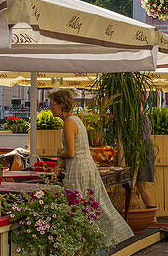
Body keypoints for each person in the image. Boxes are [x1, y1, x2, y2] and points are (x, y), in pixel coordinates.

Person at [49, 88, 133, 247]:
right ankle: (100, 239)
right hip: (86, 166)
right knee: (95, 203)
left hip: (78, 168)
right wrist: (59, 165)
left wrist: (60, 152)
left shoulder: (68, 123)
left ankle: (93, 241)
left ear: (61, 105)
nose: (50, 108)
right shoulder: (77, 120)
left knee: (78, 204)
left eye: (52, 104)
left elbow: (71, 152)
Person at [136, 111, 156, 209]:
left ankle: (152, 214)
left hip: (142, 154)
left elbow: (141, 139)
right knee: (141, 185)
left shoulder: (142, 119)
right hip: (146, 153)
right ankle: (150, 214)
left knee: (140, 184)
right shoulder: (144, 118)